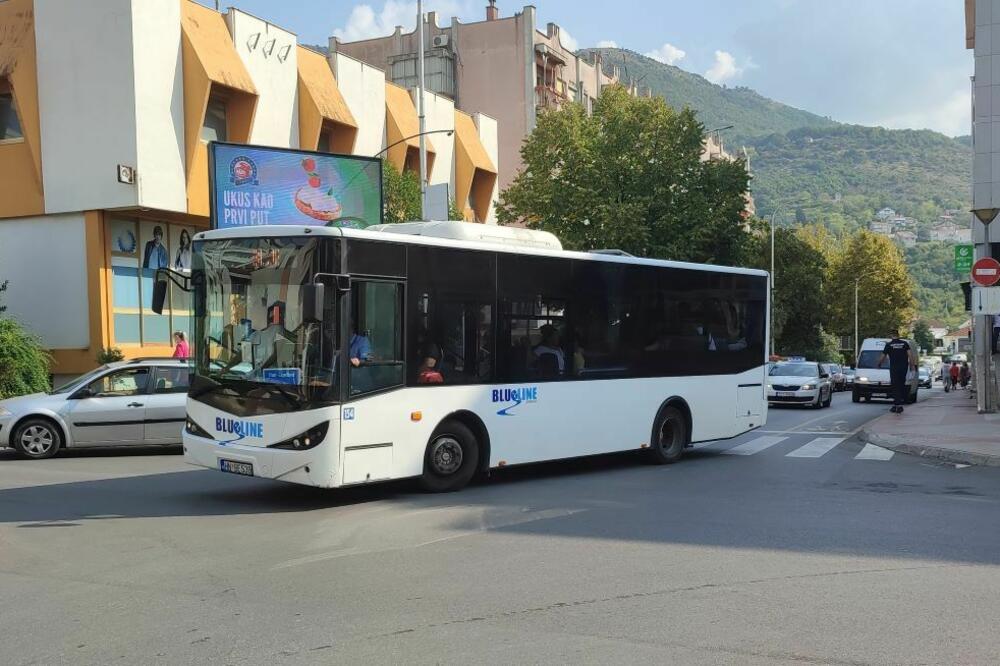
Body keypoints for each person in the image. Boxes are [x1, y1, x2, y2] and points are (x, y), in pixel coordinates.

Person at [878, 331, 916, 413]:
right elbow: (910, 355)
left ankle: (897, 405)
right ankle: (897, 404)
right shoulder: (905, 344)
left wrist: (879, 364)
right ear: (898, 335)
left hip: (894, 368)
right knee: (901, 385)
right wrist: (912, 366)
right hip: (903, 368)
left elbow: (882, 356)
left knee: (895, 386)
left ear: (891, 335)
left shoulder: (888, 345)